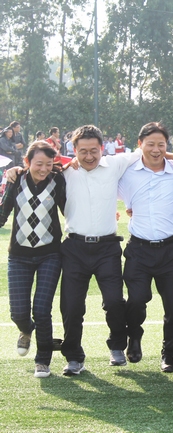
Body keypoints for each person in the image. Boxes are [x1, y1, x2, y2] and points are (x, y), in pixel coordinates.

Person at [56, 125, 153, 375]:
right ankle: (74, 357)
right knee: (72, 306)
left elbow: (148, 150)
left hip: (107, 248)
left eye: (94, 151)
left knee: (113, 301)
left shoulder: (115, 164)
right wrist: (14, 171)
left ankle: (117, 346)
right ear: (74, 150)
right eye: (83, 151)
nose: (89, 156)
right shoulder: (65, 171)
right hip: (74, 248)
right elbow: (37, 165)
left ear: (102, 148)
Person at [118, 122, 173, 373]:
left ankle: (169, 353)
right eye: (150, 144)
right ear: (140, 144)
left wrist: (172, 156)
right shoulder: (127, 173)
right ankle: (134, 336)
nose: (156, 150)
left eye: (161, 145)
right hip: (139, 249)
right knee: (136, 300)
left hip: (171, 249)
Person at [0, 141, 66, 378]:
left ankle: (43, 360)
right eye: (39, 164)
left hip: (50, 254)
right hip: (19, 256)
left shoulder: (57, 180)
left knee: (42, 309)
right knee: (18, 313)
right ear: (27, 162)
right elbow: (3, 211)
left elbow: (69, 210)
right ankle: (26, 330)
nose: (44, 169)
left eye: (49, 164)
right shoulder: (15, 179)